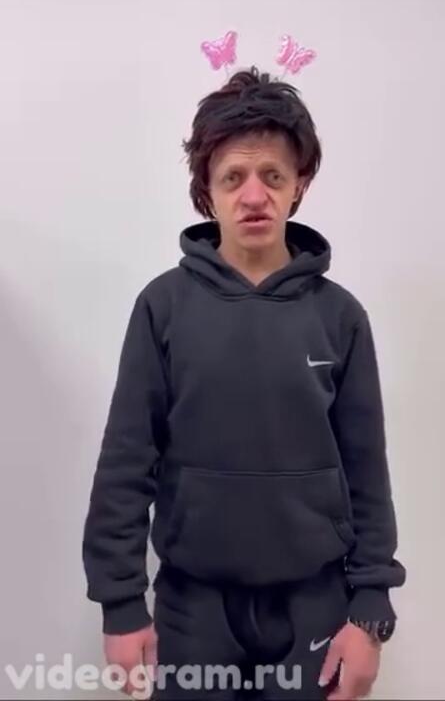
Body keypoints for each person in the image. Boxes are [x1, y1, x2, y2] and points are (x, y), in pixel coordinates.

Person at [82, 67, 406, 700]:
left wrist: (371, 608)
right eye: (233, 177)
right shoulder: (163, 307)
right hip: (192, 607)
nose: (254, 195)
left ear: (298, 185)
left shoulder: (340, 317)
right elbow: (126, 462)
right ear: (206, 190)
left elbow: (367, 472)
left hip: (315, 605)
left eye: (273, 177)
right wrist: (120, 605)